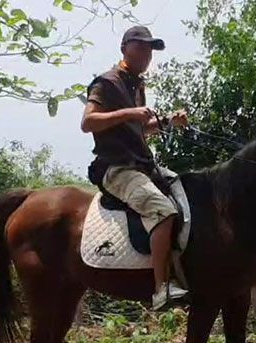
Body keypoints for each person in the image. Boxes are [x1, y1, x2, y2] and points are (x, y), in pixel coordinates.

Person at [80, 25, 188, 310]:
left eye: (150, 49)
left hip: (142, 165)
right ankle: (161, 289)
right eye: (141, 47)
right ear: (124, 48)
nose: (147, 54)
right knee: (163, 212)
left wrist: (167, 122)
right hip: (117, 168)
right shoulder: (107, 82)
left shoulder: (136, 84)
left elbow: (138, 130)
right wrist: (130, 112)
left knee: (189, 194)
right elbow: (87, 123)